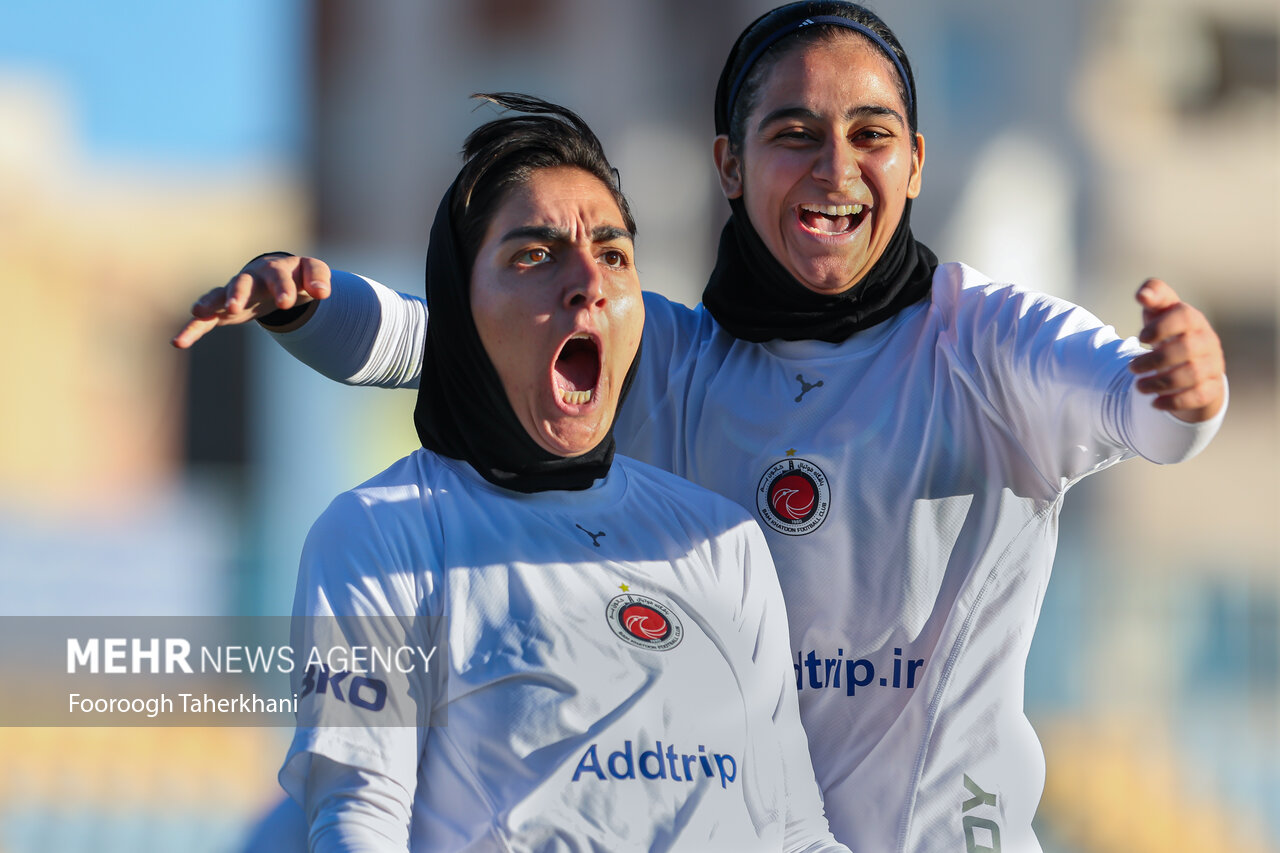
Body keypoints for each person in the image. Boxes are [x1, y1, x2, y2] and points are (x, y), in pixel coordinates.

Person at [175, 4, 1228, 850]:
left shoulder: (985, 343)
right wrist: (314, 307)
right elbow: (447, 338)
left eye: (869, 136)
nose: (832, 169)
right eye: (792, 135)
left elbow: (1132, 403)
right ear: (727, 165)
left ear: (912, 158)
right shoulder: (675, 358)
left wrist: (1182, 392)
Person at [275, 92, 850, 852]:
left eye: (613, 253)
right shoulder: (383, 532)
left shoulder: (722, 540)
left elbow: (795, 830)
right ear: (457, 310)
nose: (590, 282)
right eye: (534, 255)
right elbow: (357, 821)